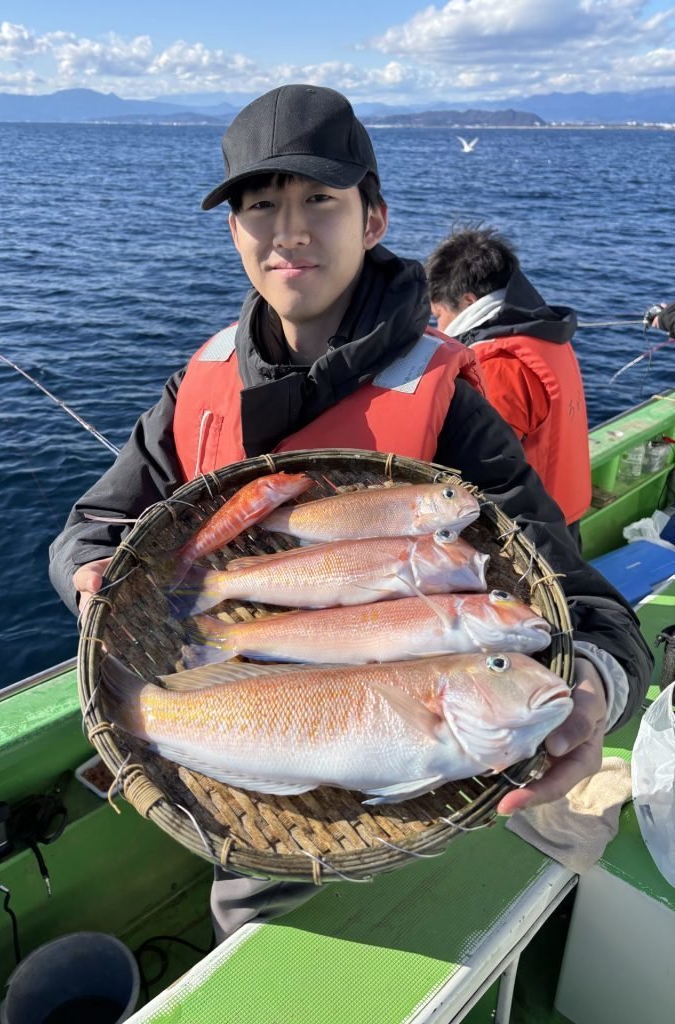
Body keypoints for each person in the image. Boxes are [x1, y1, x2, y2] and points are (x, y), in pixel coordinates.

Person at [49, 84, 652, 943]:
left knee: (414, 936)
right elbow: (91, 527)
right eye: (261, 206)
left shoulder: (448, 403)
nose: (288, 231)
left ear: (374, 219)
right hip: (250, 789)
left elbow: (589, 608)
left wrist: (593, 684)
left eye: (320, 200)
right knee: (253, 935)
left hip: (422, 806)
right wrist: (88, 577)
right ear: (234, 231)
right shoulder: (198, 382)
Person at [425, 226, 591, 531]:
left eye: (439, 315)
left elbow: (484, 463)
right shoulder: (549, 337)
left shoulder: (498, 363)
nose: (439, 326)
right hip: (563, 513)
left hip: (529, 529)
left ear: (468, 301)